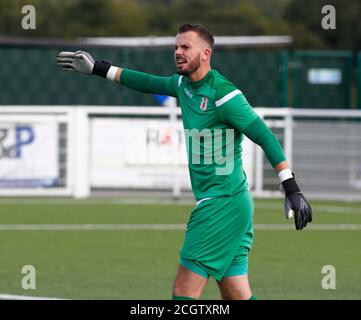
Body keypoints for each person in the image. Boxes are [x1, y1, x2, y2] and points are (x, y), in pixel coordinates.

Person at [57, 23, 312, 300]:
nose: (178, 52)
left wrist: (291, 188)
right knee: (237, 295)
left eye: (185, 47)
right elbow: (146, 82)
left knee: (183, 293)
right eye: (176, 47)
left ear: (205, 54)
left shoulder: (224, 95)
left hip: (221, 205)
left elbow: (265, 136)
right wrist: (98, 68)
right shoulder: (182, 85)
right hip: (230, 203)